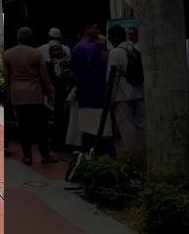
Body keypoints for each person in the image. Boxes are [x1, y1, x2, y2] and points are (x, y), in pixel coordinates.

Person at [4, 27, 57, 165]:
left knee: (23, 127)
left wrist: (7, 97)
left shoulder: (8, 54)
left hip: (17, 95)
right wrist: (50, 93)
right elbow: (44, 77)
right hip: (34, 94)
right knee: (40, 127)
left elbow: (7, 77)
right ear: (31, 38)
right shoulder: (36, 53)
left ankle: (27, 156)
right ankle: (45, 156)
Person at [71, 22, 115, 156]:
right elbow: (80, 73)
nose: (98, 30)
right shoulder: (81, 48)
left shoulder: (98, 47)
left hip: (100, 94)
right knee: (92, 129)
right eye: (95, 27)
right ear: (87, 29)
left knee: (102, 128)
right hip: (89, 95)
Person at [107, 25, 146, 154]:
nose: (110, 41)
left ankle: (133, 156)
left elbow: (111, 79)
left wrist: (110, 100)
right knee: (142, 125)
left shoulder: (115, 53)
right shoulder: (138, 48)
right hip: (140, 92)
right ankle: (146, 153)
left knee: (127, 127)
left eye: (111, 38)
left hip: (122, 96)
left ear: (115, 38)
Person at [37, 27, 72, 150]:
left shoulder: (40, 50)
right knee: (60, 116)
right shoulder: (66, 52)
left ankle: (58, 142)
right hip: (58, 90)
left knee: (56, 116)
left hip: (51, 90)